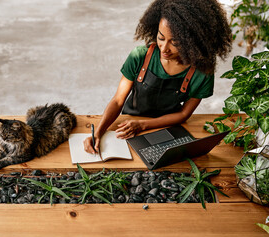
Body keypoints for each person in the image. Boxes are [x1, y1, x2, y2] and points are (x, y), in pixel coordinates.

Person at [84, 0, 232, 154]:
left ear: (194, 42)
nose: (164, 48)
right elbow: (117, 100)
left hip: (168, 129)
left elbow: (183, 114)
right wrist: (97, 133)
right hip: (127, 126)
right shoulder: (140, 56)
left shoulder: (202, 72)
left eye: (174, 42)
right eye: (161, 38)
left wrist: (142, 125)